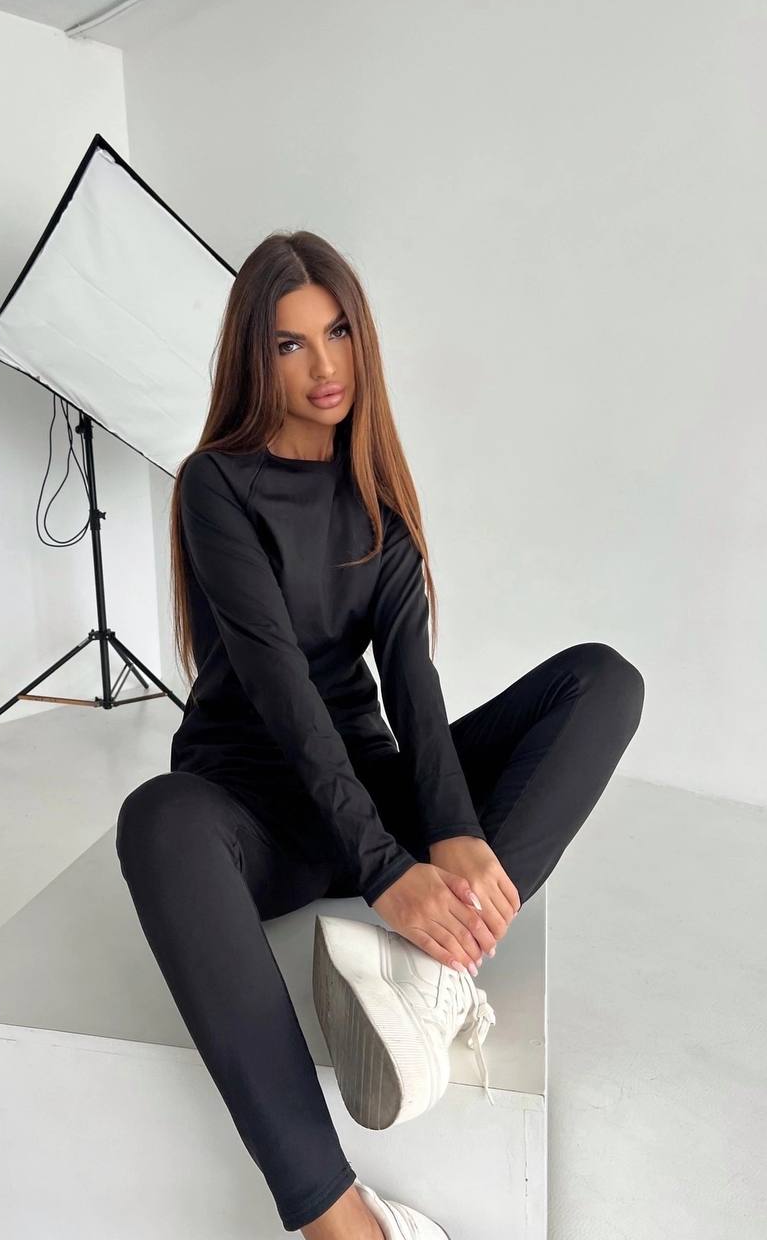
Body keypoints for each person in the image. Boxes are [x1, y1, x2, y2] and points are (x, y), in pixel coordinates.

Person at [116, 230, 645, 1238]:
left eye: (339, 331)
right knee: (156, 820)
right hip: (255, 809)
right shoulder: (213, 486)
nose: (323, 366)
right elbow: (279, 691)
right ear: (251, 359)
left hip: (370, 788)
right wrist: (383, 867)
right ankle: (338, 1217)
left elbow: (409, 685)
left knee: (600, 682)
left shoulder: (378, 496)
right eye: (288, 344)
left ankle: (435, 971)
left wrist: (446, 832)